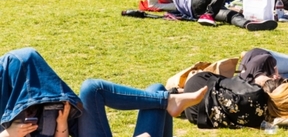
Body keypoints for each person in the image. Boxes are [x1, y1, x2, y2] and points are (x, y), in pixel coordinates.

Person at [0, 47, 207, 137]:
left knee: (92, 89)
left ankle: (166, 100)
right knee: (156, 92)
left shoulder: (30, 101)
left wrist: (62, 125)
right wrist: (8, 134)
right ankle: (167, 101)